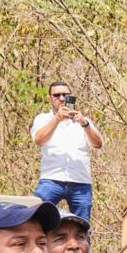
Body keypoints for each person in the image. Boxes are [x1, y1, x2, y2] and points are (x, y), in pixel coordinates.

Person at [31, 80, 103, 225]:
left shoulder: (83, 122)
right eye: (57, 95)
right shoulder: (43, 119)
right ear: (50, 98)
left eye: (65, 95)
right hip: (51, 179)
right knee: (36, 219)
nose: (62, 99)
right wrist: (57, 119)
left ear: (71, 97)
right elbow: (39, 140)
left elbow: (98, 144)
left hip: (80, 182)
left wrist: (85, 124)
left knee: (82, 226)